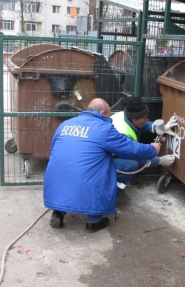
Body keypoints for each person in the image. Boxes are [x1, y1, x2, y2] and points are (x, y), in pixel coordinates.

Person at [43, 98, 161, 233]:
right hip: (86, 180)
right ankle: (94, 221)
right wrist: (152, 149)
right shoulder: (103, 128)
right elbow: (130, 149)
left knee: (69, 170)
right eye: (108, 115)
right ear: (103, 113)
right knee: (100, 171)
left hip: (54, 181)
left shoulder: (65, 124)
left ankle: (58, 213)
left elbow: (54, 150)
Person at [111, 96, 177, 193]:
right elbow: (137, 157)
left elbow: (143, 124)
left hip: (107, 155)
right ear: (134, 119)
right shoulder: (123, 133)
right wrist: (160, 160)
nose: (148, 119)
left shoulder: (125, 115)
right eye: (145, 118)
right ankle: (111, 192)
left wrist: (161, 127)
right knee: (131, 165)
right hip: (103, 160)